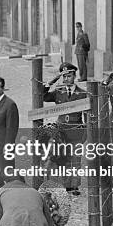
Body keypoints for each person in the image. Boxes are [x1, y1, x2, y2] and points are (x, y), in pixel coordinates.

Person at [43, 62, 86, 195]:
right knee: (64, 158)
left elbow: (87, 116)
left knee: (76, 159)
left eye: (69, 76)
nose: (67, 79)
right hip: (61, 131)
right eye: (64, 76)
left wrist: (85, 133)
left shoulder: (82, 94)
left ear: (74, 76)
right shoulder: (59, 92)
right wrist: (54, 79)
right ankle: (66, 184)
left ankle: (75, 186)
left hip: (76, 129)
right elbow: (43, 95)